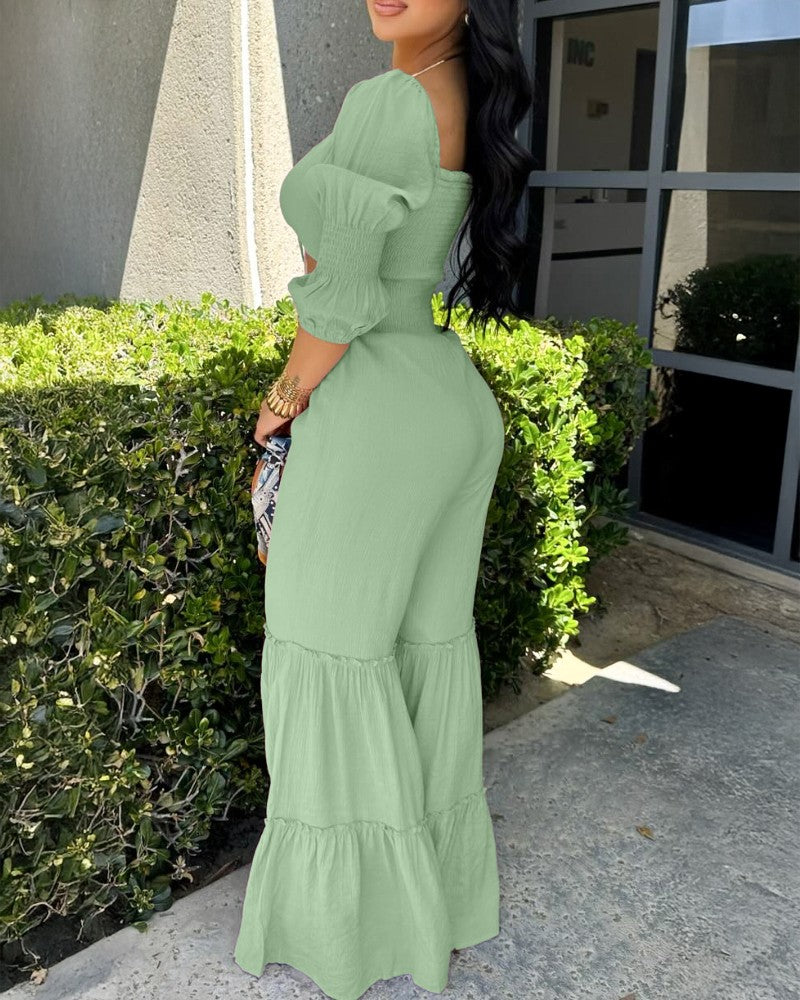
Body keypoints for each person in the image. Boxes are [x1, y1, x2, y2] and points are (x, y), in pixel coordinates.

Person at [234, 2, 534, 998]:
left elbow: (342, 302)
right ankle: (437, 902)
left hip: (372, 410)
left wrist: (278, 406)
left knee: (324, 650)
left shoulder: (391, 99)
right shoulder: (463, 96)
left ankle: (350, 929)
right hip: (446, 401)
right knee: (423, 649)